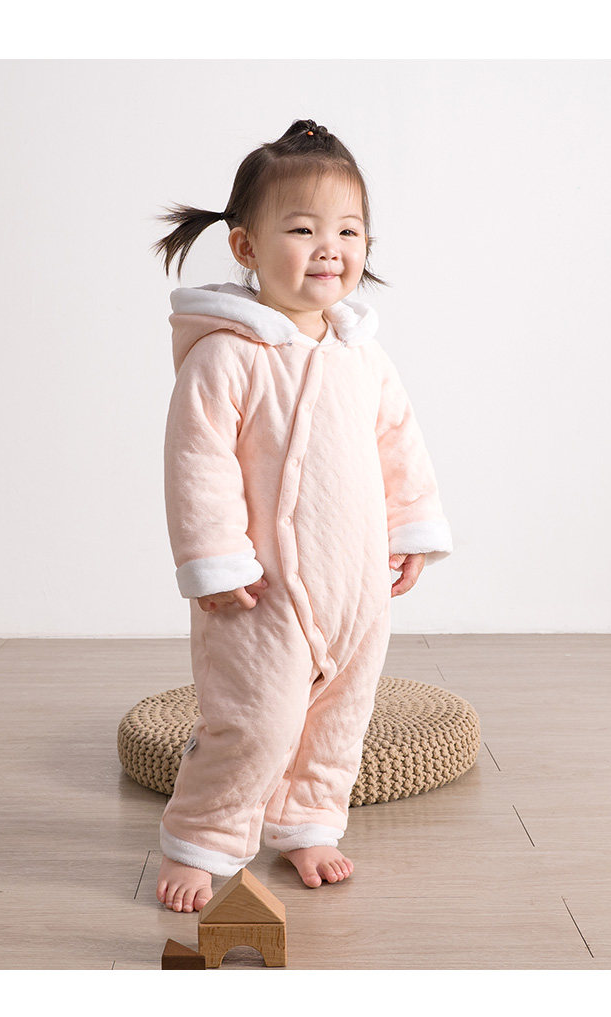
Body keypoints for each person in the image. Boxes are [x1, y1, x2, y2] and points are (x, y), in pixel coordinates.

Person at [149, 119, 453, 914]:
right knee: (254, 718)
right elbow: (198, 460)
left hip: (357, 582)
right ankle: (200, 835)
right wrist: (216, 561)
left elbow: (399, 443)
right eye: (303, 229)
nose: (330, 247)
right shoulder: (227, 355)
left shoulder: (363, 355)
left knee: (339, 716)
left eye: (348, 230)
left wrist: (411, 529)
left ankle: (307, 820)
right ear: (245, 247)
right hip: (261, 590)